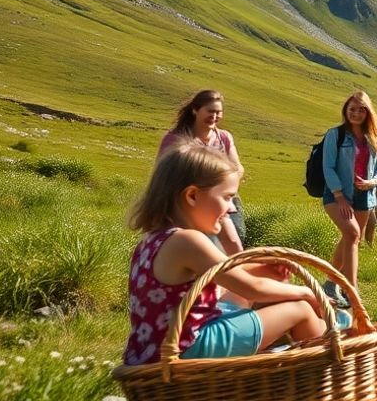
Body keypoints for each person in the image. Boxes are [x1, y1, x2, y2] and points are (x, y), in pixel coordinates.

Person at [123, 145, 326, 366]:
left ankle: (319, 338)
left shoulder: (152, 241)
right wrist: (307, 293)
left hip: (154, 349)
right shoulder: (188, 240)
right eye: (227, 197)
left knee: (244, 295)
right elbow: (252, 287)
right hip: (189, 348)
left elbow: (221, 279)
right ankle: (333, 358)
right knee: (301, 310)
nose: (232, 209)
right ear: (192, 196)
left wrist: (259, 268)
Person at [320, 91, 377, 308]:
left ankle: (330, 284)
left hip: (364, 196)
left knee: (351, 238)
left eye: (361, 110)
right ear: (345, 111)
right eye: (352, 109)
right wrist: (339, 196)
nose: (356, 113)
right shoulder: (336, 135)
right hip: (337, 194)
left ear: (368, 112)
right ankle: (352, 289)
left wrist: (372, 182)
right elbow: (328, 166)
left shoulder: (373, 139)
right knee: (352, 233)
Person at [159, 89, 245, 254]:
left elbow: (237, 167)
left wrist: (224, 186)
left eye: (219, 112)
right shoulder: (175, 139)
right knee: (200, 246)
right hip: (187, 204)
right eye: (210, 111)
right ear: (195, 110)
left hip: (222, 202)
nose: (215, 116)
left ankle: (232, 274)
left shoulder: (224, 137)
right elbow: (163, 173)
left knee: (234, 241)